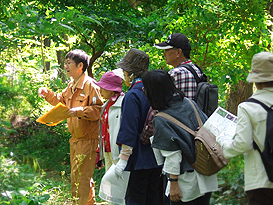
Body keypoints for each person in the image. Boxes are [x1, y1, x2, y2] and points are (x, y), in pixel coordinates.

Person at [142, 69, 218, 205]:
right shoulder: (190, 103)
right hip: (206, 173)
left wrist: (173, 184)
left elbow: (173, 156)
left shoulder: (161, 119)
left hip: (185, 181)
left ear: (152, 92)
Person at [38, 49, 103, 205]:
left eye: (68, 63)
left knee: (82, 178)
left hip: (89, 140)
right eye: (64, 63)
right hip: (75, 140)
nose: (65, 66)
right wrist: (46, 93)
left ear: (80, 65)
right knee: (78, 177)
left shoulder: (90, 85)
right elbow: (60, 100)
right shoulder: (71, 85)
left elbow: (98, 110)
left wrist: (78, 111)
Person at [216, 51, 273, 205]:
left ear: (256, 80)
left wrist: (222, 140)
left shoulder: (248, 107)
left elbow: (242, 144)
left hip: (261, 181)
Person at [114, 48, 162, 205]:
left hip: (137, 160)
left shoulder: (133, 95)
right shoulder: (154, 91)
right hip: (157, 158)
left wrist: (123, 159)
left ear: (130, 73)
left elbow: (129, 129)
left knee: (136, 198)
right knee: (153, 198)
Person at [154, 33, 202, 100]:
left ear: (178, 53)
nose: (164, 54)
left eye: (167, 50)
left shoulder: (176, 73)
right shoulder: (197, 70)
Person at [95, 71, 124, 172]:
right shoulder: (106, 105)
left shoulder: (122, 103)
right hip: (107, 150)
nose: (100, 90)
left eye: (103, 87)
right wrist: (100, 152)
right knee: (108, 182)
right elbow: (103, 130)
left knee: (118, 182)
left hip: (118, 152)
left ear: (111, 90)